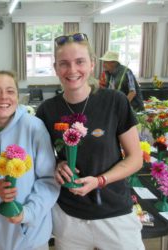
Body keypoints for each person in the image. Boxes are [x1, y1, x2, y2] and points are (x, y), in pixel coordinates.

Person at [36, 33, 144, 250]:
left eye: (80, 62)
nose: (72, 70)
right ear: (56, 68)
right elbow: (44, 159)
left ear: (92, 65)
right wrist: (58, 165)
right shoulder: (47, 111)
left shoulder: (115, 101)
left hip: (114, 214)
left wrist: (99, 181)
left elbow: (136, 159)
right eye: (64, 64)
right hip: (69, 217)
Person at [0, 70, 60, 250]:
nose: (3, 97)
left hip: (31, 235)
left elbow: (49, 180)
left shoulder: (34, 127)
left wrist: (27, 213)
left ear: (18, 96)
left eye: (10, 91)